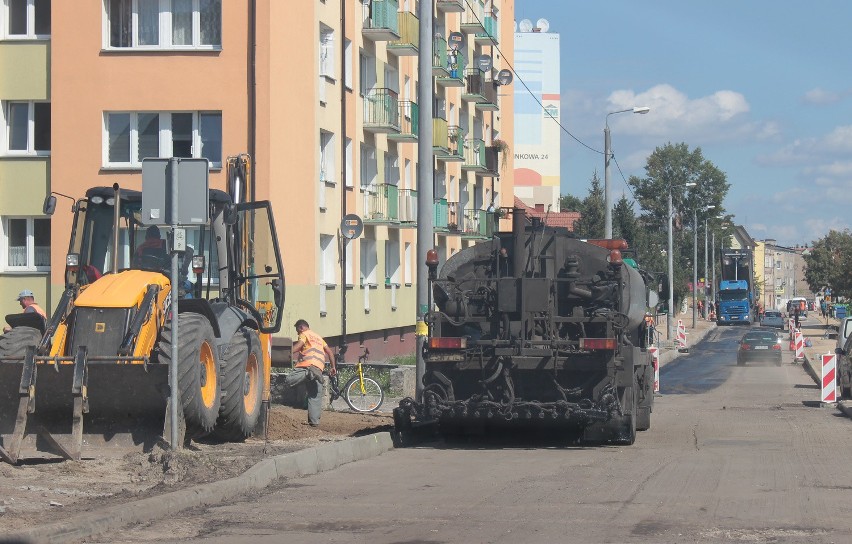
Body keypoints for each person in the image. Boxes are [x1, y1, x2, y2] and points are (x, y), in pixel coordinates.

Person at [283, 319, 337, 426]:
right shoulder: (319, 338)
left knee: (289, 380)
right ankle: (314, 422)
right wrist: (333, 367)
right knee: (315, 395)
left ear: (301, 327)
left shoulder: (304, 334)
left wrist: (288, 352)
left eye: (297, 330)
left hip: (307, 366)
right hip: (319, 369)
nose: (297, 333)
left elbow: (299, 345)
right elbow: (330, 352)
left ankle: (308, 374)